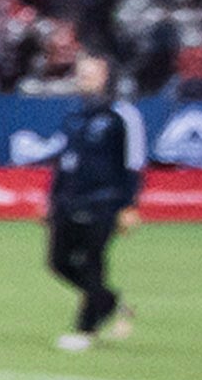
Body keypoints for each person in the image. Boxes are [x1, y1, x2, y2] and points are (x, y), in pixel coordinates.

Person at [47, 44, 145, 350]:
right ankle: (110, 301)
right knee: (58, 262)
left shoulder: (123, 115)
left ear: (107, 76)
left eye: (91, 72)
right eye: (82, 72)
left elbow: (134, 163)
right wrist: (52, 200)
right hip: (70, 201)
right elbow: (66, 162)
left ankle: (85, 330)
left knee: (92, 263)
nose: (84, 77)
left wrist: (129, 205)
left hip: (105, 201)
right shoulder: (75, 115)